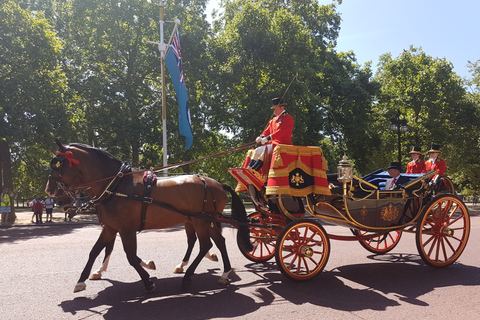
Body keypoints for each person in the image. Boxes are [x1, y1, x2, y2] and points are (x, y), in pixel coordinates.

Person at [248, 97, 294, 171]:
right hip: (272, 144)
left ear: (282, 108)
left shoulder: (288, 118)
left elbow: (281, 131)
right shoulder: (274, 120)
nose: (274, 111)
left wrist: (268, 138)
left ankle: (254, 170)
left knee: (265, 150)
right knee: (257, 150)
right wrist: (261, 137)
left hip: (282, 144)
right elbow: (267, 131)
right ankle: (248, 169)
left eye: (276, 109)